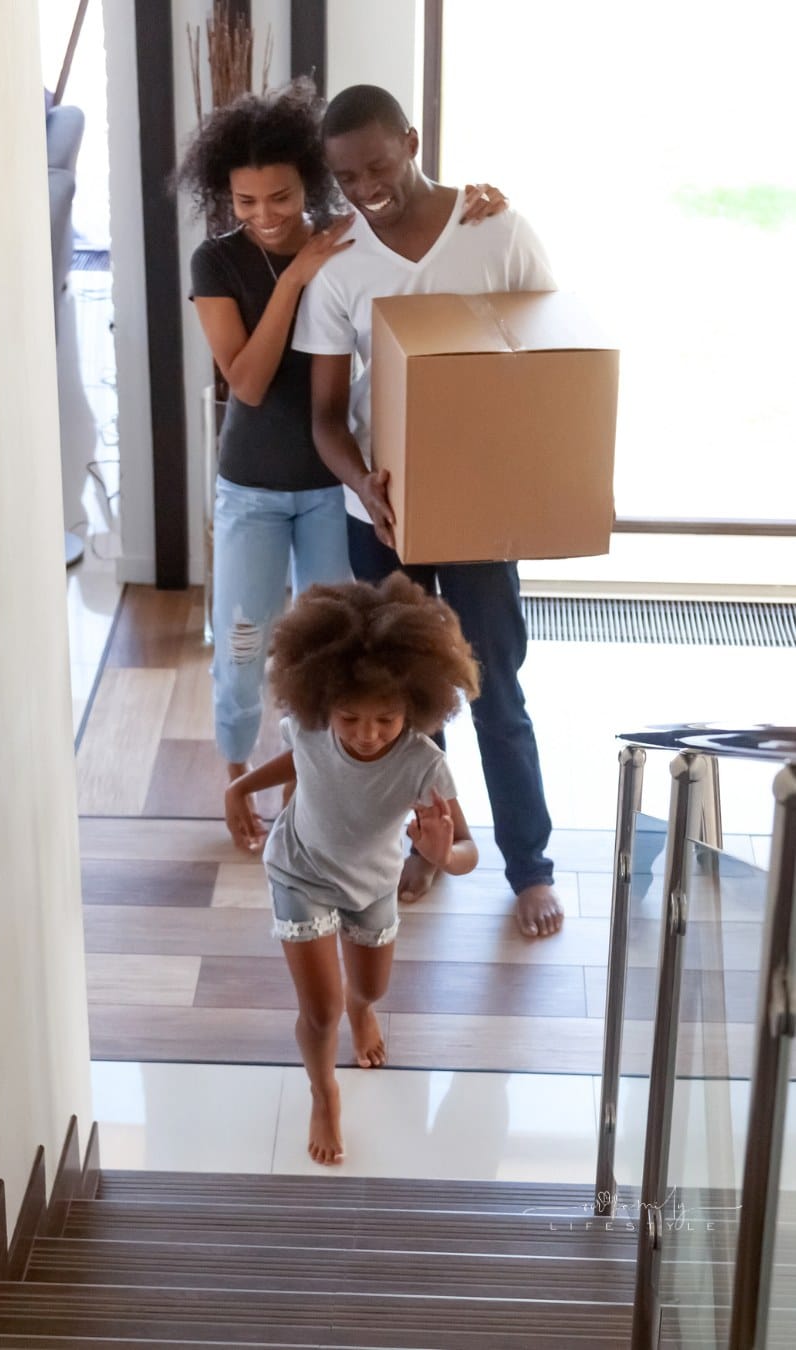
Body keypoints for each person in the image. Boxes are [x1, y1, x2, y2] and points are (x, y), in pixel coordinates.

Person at [178, 81, 507, 820]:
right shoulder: (216, 265)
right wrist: (296, 275)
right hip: (252, 492)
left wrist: (482, 200)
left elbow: (422, 224)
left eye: (282, 198)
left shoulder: (349, 236)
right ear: (225, 197)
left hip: (334, 491)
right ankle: (236, 780)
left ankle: (310, 787)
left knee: (331, 659)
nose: (265, 216)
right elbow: (249, 383)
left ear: (310, 183)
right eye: (245, 202)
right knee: (240, 648)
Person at [292, 84, 564, 938]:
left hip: (477, 503)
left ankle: (530, 867)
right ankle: (423, 845)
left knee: (493, 687)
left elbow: (554, 359)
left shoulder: (495, 230)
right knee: (400, 697)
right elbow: (327, 419)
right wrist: (365, 484)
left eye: (377, 164)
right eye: (345, 176)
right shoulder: (338, 263)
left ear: (411, 142)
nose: (365, 186)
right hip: (381, 509)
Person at [225, 575, 480, 1164]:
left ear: (415, 711)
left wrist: (441, 857)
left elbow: (468, 850)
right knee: (320, 1010)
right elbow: (302, 755)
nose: (366, 735)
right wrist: (241, 785)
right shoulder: (314, 726)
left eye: (385, 720)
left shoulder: (424, 762)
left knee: (368, 990)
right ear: (324, 705)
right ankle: (324, 1091)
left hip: (372, 883)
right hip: (300, 870)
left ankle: (364, 1011)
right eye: (349, 719)